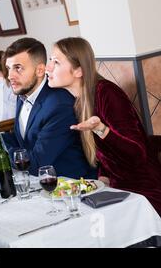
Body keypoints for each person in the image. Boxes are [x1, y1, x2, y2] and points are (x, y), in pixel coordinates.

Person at [46, 37, 161, 214]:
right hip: (117, 189)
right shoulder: (79, 100)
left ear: (78, 71)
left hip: (144, 192)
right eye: (50, 60)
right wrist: (103, 176)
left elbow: (138, 153)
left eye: (56, 62)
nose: (48, 67)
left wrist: (101, 129)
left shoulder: (107, 93)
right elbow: (105, 154)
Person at [0, 38, 95, 179]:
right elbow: (22, 140)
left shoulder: (59, 105)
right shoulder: (23, 94)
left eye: (18, 68)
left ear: (40, 70)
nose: (10, 76)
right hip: (37, 181)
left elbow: (36, 163)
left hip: (69, 185)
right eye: (9, 68)